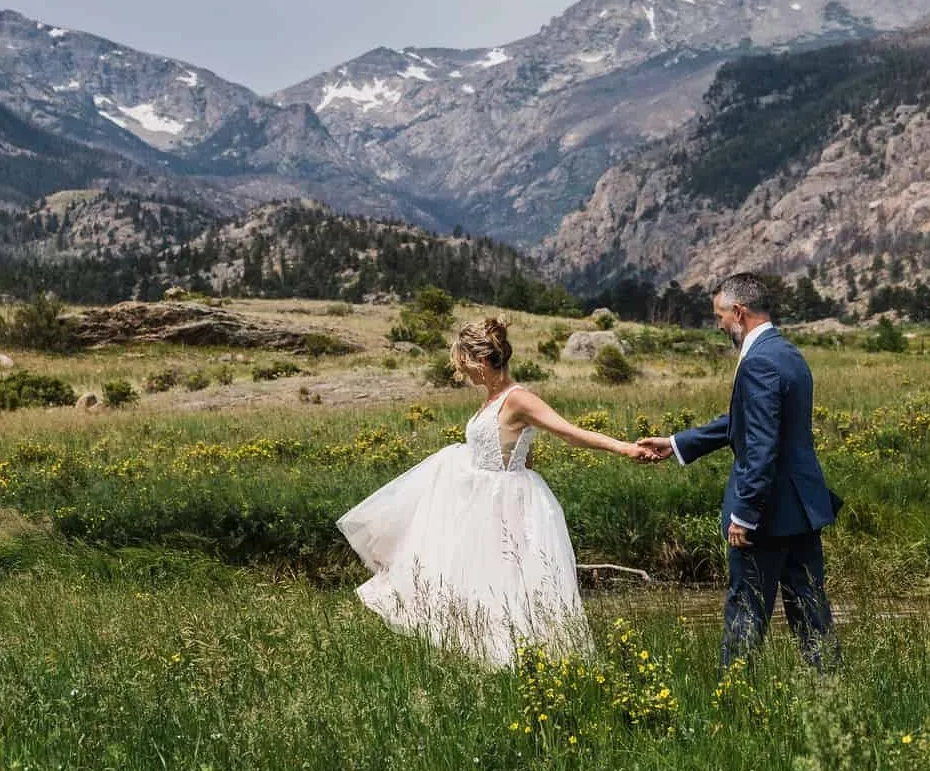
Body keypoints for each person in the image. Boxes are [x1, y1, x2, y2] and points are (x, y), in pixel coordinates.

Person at [336, 316, 644, 668]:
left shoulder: (519, 399)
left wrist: (624, 448)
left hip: (505, 503)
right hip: (477, 501)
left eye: (463, 362)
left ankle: (520, 663)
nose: (461, 371)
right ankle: (492, 663)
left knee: (510, 586)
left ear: (481, 360)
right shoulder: (490, 399)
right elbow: (519, 450)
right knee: (474, 585)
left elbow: (569, 432)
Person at [636, 272, 841, 668]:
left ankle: (734, 699)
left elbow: (762, 446)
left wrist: (744, 514)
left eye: (720, 317)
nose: (720, 326)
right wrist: (679, 443)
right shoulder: (789, 354)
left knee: (746, 610)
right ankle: (830, 690)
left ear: (739, 311)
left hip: (765, 516)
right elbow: (742, 421)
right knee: (811, 610)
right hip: (801, 510)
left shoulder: (758, 363)